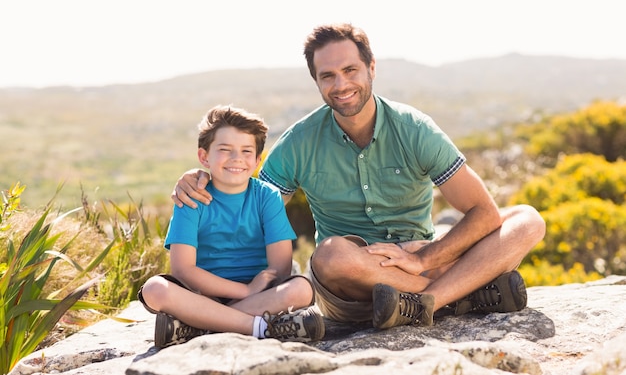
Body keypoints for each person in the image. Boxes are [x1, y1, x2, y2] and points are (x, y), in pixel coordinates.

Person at [172, 23, 546, 330]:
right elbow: (247, 201)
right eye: (328, 76)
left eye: (350, 70)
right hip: (352, 284)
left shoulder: (415, 129)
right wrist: (203, 175)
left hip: (420, 259)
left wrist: (422, 258)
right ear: (316, 82)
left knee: (526, 220)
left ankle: (425, 303)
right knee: (330, 255)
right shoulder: (300, 142)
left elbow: (483, 212)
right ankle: (466, 293)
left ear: (371, 68)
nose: (341, 84)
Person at [139, 105, 324, 348]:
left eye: (246, 151)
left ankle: (199, 325)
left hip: (260, 293)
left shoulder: (267, 196)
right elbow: (183, 270)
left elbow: (279, 268)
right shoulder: (192, 196)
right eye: (225, 150)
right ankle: (257, 327)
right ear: (204, 157)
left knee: (301, 289)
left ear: (258, 159)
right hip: (204, 295)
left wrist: (253, 290)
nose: (237, 158)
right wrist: (244, 291)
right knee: (154, 289)